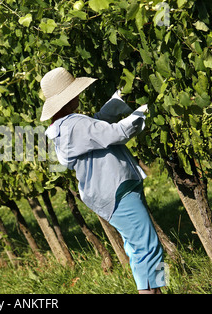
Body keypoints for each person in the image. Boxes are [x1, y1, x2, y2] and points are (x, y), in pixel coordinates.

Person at [41, 67, 165, 294]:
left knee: (138, 246)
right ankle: (153, 291)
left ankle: (154, 289)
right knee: (148, 247)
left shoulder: (63, 126)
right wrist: (146, 111)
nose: (79, 95)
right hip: (116, 191)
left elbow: (96, 129)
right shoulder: (74, 124)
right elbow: (116, 133)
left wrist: (114, 104)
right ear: (68, 98)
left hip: (110, 191)